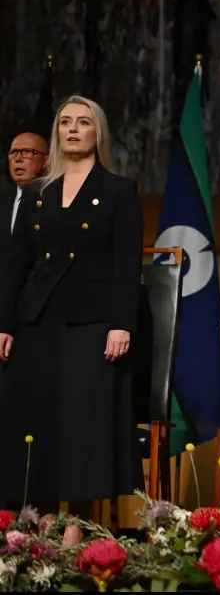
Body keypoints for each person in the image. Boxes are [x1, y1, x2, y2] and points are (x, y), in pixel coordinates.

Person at [0, 96, 143, 526]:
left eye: (83, 122)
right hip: (37, 322)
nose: (73, 129)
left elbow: (127, 265)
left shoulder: (119, 190)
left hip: (93, 324)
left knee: (83, 429)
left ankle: (75, 530)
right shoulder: (36, 192)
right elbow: (16, 265)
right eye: (65, 122)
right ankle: (40, 524)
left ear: (98, 132)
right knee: (37, 423)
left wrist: (121, 324)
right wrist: (5, 324)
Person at [0, 132, 50, 266]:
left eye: (27, 152)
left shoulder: (54, 200)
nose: (18, 158)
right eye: (13, 152)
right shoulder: (3, 200)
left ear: (46, 161)